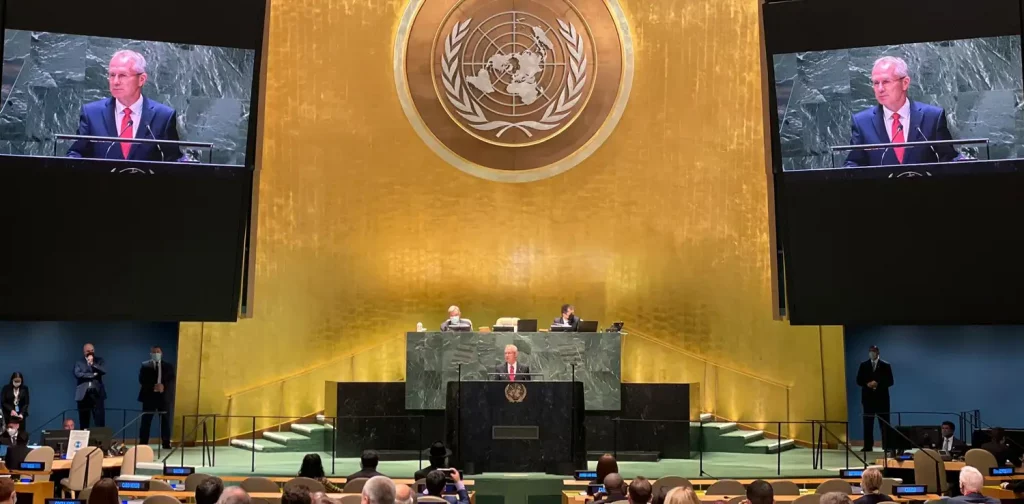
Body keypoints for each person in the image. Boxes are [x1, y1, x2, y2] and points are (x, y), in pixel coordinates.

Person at [67, 50, 184, 162]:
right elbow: (76, 152)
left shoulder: (163, 116)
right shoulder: (92, 113)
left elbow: (174, 159)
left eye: (122, 75)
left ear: (141, 79)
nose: (115, 81)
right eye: (112, 75)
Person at [844, 56, 957, 167]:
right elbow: (854, 163)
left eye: (886, 82)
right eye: (876, 83)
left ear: (905, 83)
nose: (880, 89)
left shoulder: (932, 117)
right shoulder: (862, 122)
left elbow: (949, 158)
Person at [856, 345, 893, 452]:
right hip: (868, 399)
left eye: (874, 351)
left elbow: (890, 381)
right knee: (868, 424)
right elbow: (858, 380)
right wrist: (867, 384)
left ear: (878, 352)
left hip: (882, 400)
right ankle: (868, 446)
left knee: (884, 424)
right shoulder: (864, 365)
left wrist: (877, 384)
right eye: (870, 351)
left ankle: (887, 446)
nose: (872, 353)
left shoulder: (885, 365)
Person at [139, 345, 175, 449]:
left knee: (165, 421)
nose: (156, 354)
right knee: (146, 421)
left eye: (158, 352)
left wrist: (163, 386)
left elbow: (171, 380)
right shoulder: (145, 365)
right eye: (154, 352)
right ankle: (143, 443)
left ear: (161, 353)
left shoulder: (168, 366)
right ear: (151, 354)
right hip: (149, 397)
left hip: (164, 397)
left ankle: (166, 443)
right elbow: (142, 380)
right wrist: (153, 386)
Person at [74, 343, 107, 428]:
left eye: (92, 351)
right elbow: (77, 374)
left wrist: (92, 364)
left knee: (99, 419)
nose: (90, 353)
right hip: (83, 395)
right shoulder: (79, 362)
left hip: (97, 393)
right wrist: (92, 375)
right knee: (83, 420)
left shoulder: (99, 360)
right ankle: (84, 440)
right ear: (84, 352)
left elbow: (103, 371)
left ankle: (100, 439)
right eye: (88, 351)